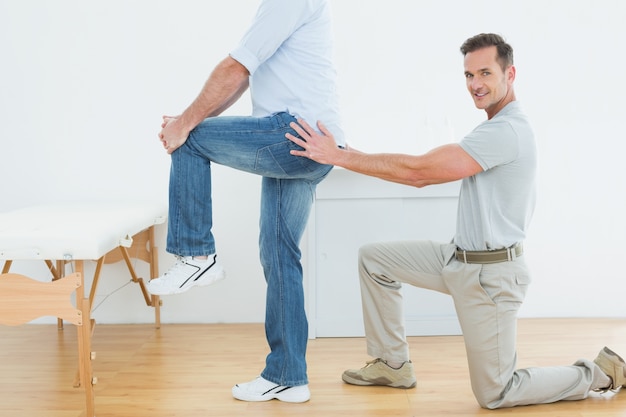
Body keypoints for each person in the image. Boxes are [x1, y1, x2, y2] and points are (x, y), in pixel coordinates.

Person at [285, 33, 625, 409]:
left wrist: (340, 157)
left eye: (485, 73)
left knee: (496, 393)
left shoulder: (507, 131)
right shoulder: (494, 127)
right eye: (468, 75)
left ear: (510, 74)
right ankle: (391, 364)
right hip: (457, 258)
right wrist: (341, 152)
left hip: (492, 278)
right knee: (375, 259)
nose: (475, 84)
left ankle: (600, 371)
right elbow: (418, 169)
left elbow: (419, 173)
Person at [147, 0, 344, 403]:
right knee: (279, 255)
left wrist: (183, 124)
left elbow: (235, 67)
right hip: (319, 145)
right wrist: (189, 120)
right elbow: (240, 80)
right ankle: (289, 376)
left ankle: (196, 255)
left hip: (293, 135)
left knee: (189, 140)